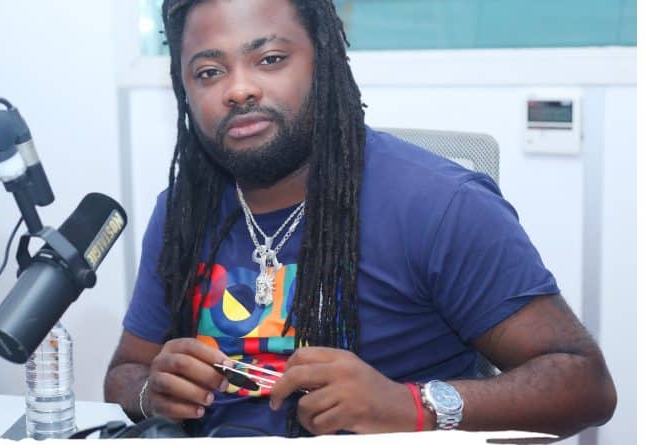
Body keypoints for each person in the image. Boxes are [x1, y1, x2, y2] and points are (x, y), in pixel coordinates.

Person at [104, 0, 616, 438]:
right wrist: (152, 391)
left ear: (323, 60)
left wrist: (413, 406)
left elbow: (585, 385)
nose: (238, 90)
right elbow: (124, 372)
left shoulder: (440, 205)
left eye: (270, 59)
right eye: (209, 72)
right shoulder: (182, 213)